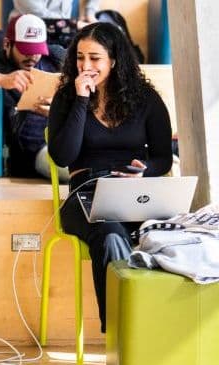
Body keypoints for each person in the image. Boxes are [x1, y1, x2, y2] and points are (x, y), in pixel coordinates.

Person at [48, 23, 172, 333]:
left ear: (114, 60)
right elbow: (62, 156)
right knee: (111, 235)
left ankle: (167, 328)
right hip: (87, 192)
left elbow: (162, 157)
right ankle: (123, 331)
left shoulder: (145, 99)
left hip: (134, 192)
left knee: (170, 234)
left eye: (95, 58)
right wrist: (80, 100)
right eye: (80, 58)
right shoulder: (67, 97)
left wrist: (145, 172)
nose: (86, 66)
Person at [0, 14, 68, 180]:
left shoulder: (55, 57)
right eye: (26, 51)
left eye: (37, 51)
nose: (32, 57)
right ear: (7, 44)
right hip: (32, 147)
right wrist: (1, 79)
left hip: (66, 136)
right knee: (71, 168)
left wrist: (59, 109)